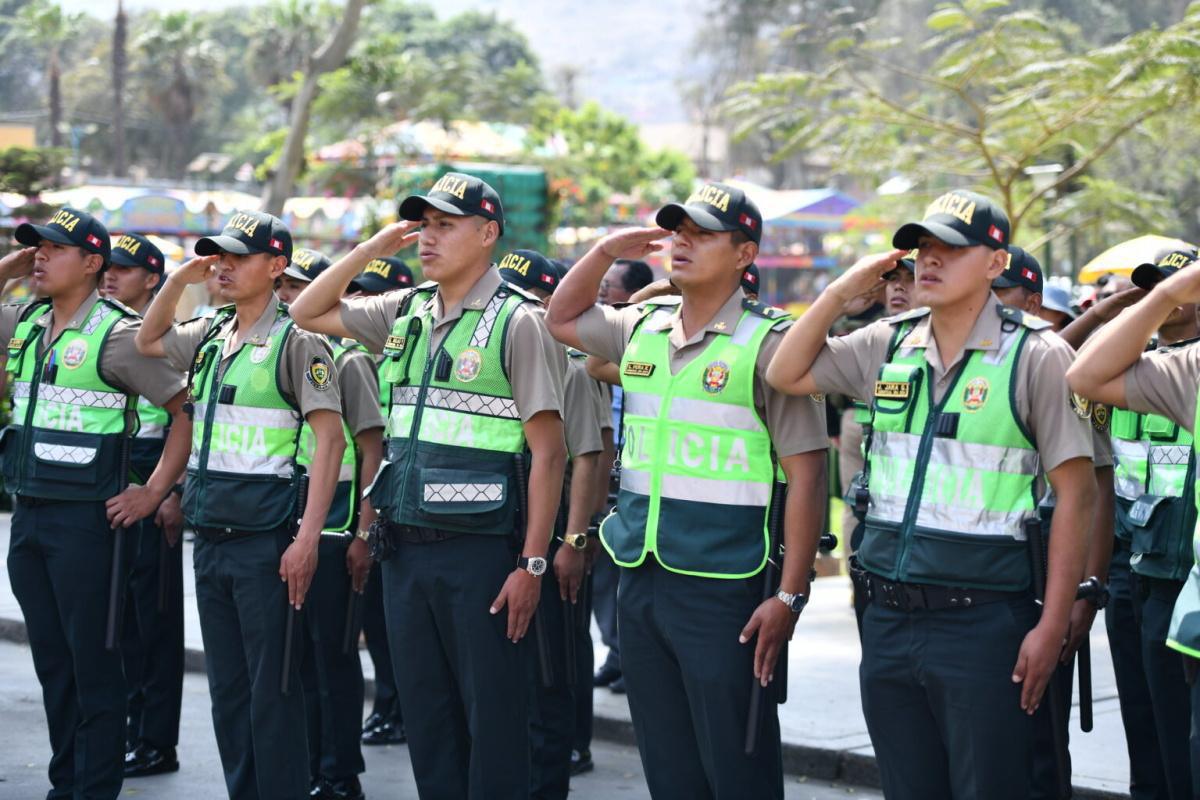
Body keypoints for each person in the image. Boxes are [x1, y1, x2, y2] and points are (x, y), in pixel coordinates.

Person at [766, 190, 1096, 799]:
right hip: (887, 615)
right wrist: (843, 292)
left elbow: (1078, 496)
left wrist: (1052, 624)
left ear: (996, 264)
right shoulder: (888, 343)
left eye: (952, 248)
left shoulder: (1037, 356)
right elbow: (784, 372)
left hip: (986, 621)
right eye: (923, 249)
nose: (931, 261)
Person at [545, 182, 829, 799]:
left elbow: (809, 475)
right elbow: (562, 319)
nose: (683, 242)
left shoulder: (769, 343)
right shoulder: (644, 327)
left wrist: (790, 594)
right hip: (642, 578)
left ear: (744, 254)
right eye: (678, 231)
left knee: (736, 761)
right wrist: (604, 251)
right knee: (668, 762)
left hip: (725, 584)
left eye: (702, 234)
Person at [289, 172, 567, 799]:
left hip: (483, 554)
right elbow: (305, 309)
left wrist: (532, 564)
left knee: (493, 724)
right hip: (405, 550)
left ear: (488, 232)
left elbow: (549, 454)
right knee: (428, 719)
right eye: (424, 224)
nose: (428, 237)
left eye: (445, 225)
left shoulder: (516, 322)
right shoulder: (407, 309)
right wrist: (369, 252)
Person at [134, 210, 347, 800]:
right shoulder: (208, 334)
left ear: (277, 266)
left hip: (266, 542)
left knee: (272, 691)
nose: (222, 266)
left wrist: (307, 540)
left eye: (237, 256)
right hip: (212, 538)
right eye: (217, 256)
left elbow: (329, 439)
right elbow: (149, 341)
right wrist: (180, 280)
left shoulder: (298, 343)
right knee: (228, 693)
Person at [0, 208, 193, 800]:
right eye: (36, 248)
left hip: (89, 524)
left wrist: (155, 489)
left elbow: (185, 413)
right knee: (54, 668)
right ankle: (67, 785)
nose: (39, 256)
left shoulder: (115, 334)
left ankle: (93, 789)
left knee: (93, 669)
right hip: (30, 516)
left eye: (53, 249)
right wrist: (15, 263)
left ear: (91, 264)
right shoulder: (28, 323)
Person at [1069, 250, 1199, 800]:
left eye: (1172, 285)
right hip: (1132, 566)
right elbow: (1061, 369)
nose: (1159, 294)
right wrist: (1110, 313)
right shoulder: (1133, 362)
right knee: (1144, 727)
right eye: (1151, 286)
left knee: (1180, 738)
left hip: (1183, 575)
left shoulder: (1183, 370)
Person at [277, 248, 382, 800]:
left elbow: (371, 449)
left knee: (331, 656)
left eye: (299, 288)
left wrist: (364, 533)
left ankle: (340, 773)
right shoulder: (285, 352)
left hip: (340, 527)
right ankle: (311, 764)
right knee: (298, 660)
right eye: (285, 287)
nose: (287, 297)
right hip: (293, 515)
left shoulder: (349, 360)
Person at [499, 249, 604, 799]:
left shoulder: (573, 365)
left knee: (549, 668)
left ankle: (550, 778)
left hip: (559, 524)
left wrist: (574, 539)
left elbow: (588, 456)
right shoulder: (505, 350)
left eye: (528, 298)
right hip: (512, 521)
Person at [101, 232, 187, 779]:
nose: (110, 275)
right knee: (119, 622)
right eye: (106, 266)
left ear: (152, 279)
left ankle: (156, 741)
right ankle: (128, 732)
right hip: (115, 488)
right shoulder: (102, 332)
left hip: (155, 489)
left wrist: (171, 491)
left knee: (154, 624)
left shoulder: (167, 341)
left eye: (124, 269)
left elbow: (192, 418)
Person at [344, 254, 413, 746]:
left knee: (393, 627)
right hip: (374, 500)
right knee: (374, 617)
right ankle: (389, 704)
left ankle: (397, 706)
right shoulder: (356, 357)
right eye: (357, 293)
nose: (361, 303)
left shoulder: (403, 348)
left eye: (372, 295)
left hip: (402, 497)